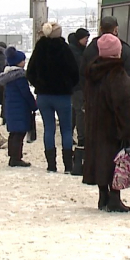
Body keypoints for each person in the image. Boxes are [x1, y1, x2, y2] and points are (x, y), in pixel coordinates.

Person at [82, 16, 130, 183]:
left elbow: (82, 76)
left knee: (99, 152)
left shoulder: (91, 51)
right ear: (115, 29)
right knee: (118, 152)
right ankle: (118, 192)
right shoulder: (119, 71)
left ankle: (102, 192)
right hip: (116, 118)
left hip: (96, 114)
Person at [82, 34, 130, 213]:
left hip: (96, 125)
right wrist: (129, 134)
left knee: (100, 158)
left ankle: (103, 197)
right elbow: (123, 105)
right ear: (117, 53)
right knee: (116, 161)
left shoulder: (93, 72)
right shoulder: (117, 74)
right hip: (114, 128)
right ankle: (114, 198)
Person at [26, 22, 80, 174]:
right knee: (66, 130)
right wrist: (68, 85)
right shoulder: (65, 49)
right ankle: (68, 166)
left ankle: (51, 165)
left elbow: (29, 72)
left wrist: (39, 84)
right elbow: (75, 73)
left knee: (48, 129)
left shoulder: (39, 49)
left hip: (43, 96)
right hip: (63, 96)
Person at [0, 47, 37, 168]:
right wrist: (33, 105)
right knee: (19, 134)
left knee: (13, 133)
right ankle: (16, 158)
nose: (25, 62)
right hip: (20, 108)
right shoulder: (19, 77)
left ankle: (12, 156)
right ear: (18, 62)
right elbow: (26, 93)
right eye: (23, 60)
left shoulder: (8, 76)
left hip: (11, 108)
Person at [68, 27, 90, 176]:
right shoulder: (75, 52)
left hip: (78, 86)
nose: (86, 41)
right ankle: (81, 138)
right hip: (77, 87)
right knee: (79, 111)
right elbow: (80, 68)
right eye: (85, 39)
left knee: (76, 112)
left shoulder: (79, 50)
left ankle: (72, 134)